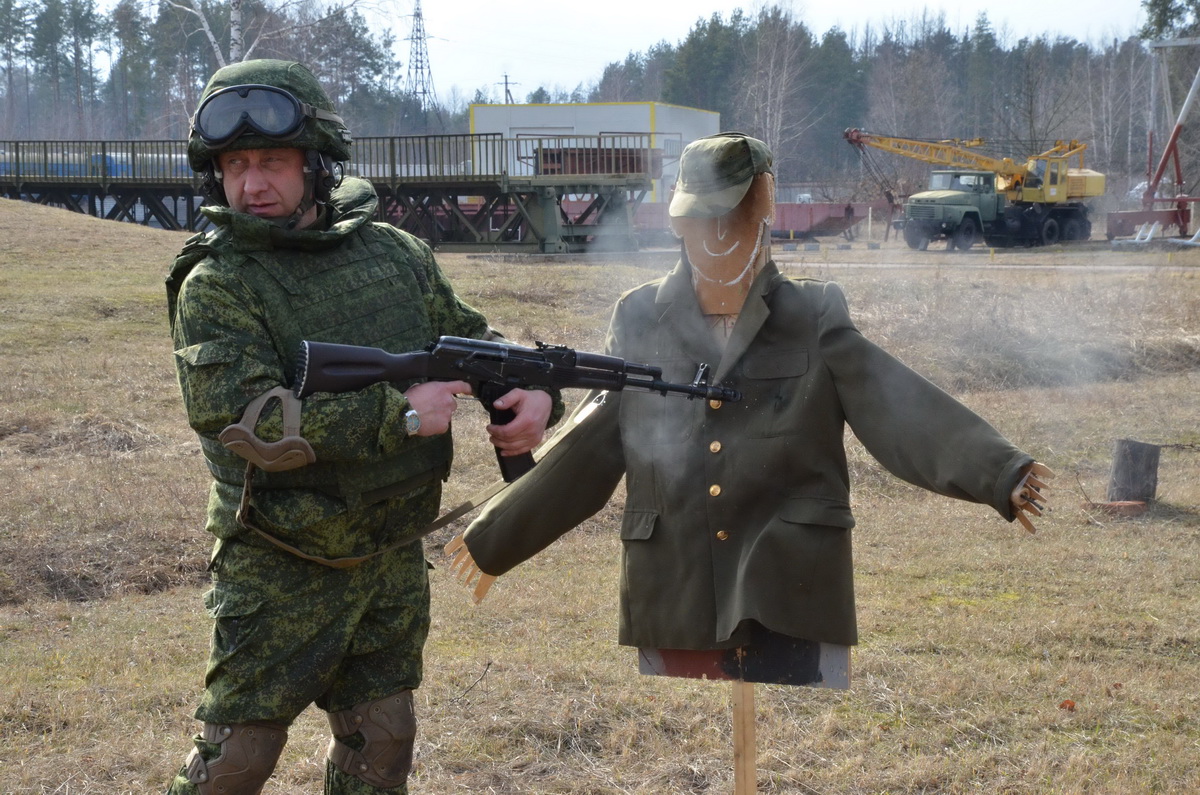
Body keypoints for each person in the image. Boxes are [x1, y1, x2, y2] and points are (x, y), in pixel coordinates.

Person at [450, 132, 1050, 665]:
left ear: (763, 215)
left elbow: (894, 403)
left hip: (789, 582)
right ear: (677, 222)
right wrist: (495, 537)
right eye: (700, 219)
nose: (715, 236)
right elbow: (592, 444)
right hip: (677, 582)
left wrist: (998, 472)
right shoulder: (640, 318)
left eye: (731, 218)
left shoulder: (812, 315)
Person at [163, 59, 556, 794]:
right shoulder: (218, 283)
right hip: (281, 561)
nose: (251, 183)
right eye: (235, 165)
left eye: (271, 162)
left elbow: (474, 340)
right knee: (237, 758)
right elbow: (244, 421)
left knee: (383, 744)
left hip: (387, 553)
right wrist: (401, 414)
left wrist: (533, 394)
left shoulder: (395, 255)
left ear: (315, 164)